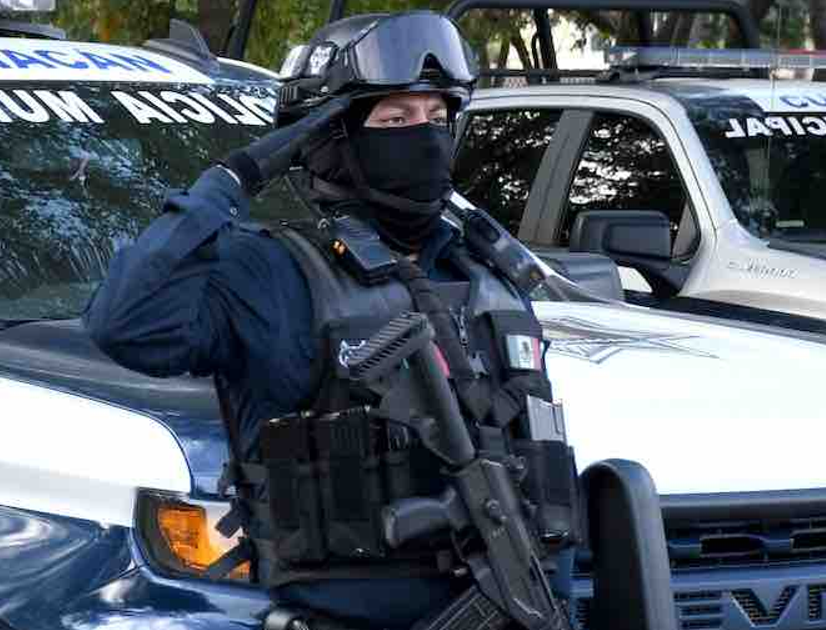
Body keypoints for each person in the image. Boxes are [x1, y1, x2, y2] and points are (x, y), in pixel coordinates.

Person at [86, 12, 575, 630]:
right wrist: (231, 179)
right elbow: (124, 321)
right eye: (395, 120)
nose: (423, 138)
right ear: (332, 140)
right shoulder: (271, 274)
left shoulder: (489, 275)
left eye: (436, 117)